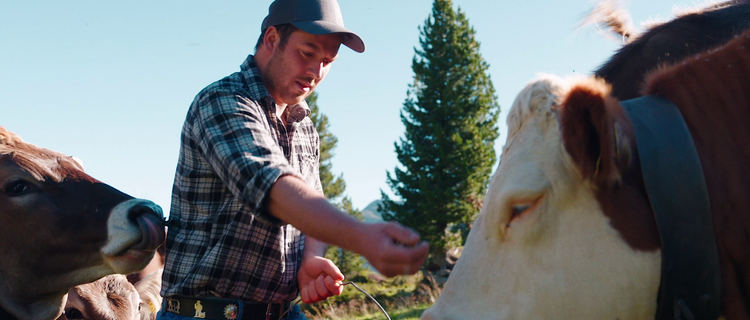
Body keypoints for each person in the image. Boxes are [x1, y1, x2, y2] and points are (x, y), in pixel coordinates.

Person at [157, 0, 430, 319]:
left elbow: (311, 200)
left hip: (285, 313)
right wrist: (360, 236)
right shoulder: (222, 102)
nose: (317, 72)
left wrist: (312, 256)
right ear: (272, 40)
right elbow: (272, 186)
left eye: (328, 61)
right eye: (308, 52)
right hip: (204, 314)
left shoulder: (305, 128)